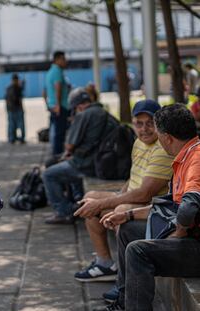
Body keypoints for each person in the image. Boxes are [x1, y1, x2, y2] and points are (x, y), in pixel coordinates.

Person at [96, 104, 200, 311]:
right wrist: (129, 215)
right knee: (127, 230)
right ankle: (124, 303)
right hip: (191, 237)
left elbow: (188, 209)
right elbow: (170, 206)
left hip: (195, 246)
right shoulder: (186, 154)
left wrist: (178, 233)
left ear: (167, 137)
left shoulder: (196, 160)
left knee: (138, 250)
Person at [73, 100, 173, 285]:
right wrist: (118, 193)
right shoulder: (139, 142)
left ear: (159, 123)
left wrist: (107, 203)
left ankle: (126, 280)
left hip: (151, 205)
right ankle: (105, 264)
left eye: (150, 123)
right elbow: (134, 176)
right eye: (139, 123)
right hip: (135, 196)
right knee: (90, 197)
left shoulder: (162, 149)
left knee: (120, 209)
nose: (144, 129)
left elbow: (144, 194)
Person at [42, 88, 117, 224]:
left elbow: (69, 146)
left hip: (87, 164)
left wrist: (73, 123)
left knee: (48, 174)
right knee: (59, 163)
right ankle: (76, 201)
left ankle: (63, 212)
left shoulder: (84, 115)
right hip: (103, 161)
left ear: (78, 106)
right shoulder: (104, 112)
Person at [44, 51, 69, 156]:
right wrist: (58, 105)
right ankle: (58, 156)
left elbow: (44, 92)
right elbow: (57, 87)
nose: (65, 61)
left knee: (55, 133)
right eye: (63, 59)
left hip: (53, 106)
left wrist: (48, 104)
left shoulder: (49, 72)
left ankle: (56, 154)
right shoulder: (58, 71)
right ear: (57, 59)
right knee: (60, 134)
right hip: (60, 107)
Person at [5, 73, 25, 144]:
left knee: (14, 125)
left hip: (14, 109)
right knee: (13, 126)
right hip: (14, 109)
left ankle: (14, 139)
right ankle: (13, 139)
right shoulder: (15, 88)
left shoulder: (12, 88)